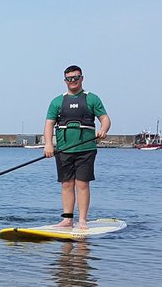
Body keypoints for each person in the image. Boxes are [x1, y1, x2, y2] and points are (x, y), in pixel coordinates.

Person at [43, 65, 111, 229]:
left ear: (82, 78)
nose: (72, 81)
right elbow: (48, 125)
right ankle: (67, 219)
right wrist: (48, 144)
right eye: (69, 78)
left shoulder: (92, 98)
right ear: (65, 80)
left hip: (85, 150)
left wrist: (103, 130)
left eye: (76, 77)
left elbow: (105, 119)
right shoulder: (57, 101)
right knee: (67, 184)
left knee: (82, 184)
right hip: (64, 150)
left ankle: (82, 220)